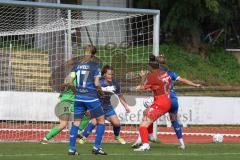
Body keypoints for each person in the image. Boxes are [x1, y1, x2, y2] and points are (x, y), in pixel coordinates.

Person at [68, 45, 107, 155]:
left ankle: (71, 149)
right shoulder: (96, 66)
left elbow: (70, 82)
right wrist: (101, 92)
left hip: (78, 98)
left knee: (76, 122)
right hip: (91, 97)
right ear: (94, 55)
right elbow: (96, 83)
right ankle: (97, 147)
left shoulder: (76, 66)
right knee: (101, 121)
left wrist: (77, 92)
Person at [157, 54, 201, 149]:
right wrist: (194, 85)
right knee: (174, 121)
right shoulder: (170, 73)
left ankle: (144, 141)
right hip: (174, 100)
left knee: (148, 116)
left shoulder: (156, 74)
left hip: (164, 100)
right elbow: (183, 80)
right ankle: (182, 144)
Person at [79, 65, 130, 145]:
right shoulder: (98, 83)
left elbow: (120, 96)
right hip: (97, 106)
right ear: (104, 75)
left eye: (112, 74)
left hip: (108, 107)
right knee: (94, 122)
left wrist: (126, 106)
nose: (111, 76)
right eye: (109, 74)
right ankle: (84, 137)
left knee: (117, 124)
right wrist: (88, 107)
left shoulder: (115, 84)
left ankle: (117, 136)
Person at [133, 55, 172, 151]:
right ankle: (150, 135)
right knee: (145, 112)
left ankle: (145, 145)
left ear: (149, 67)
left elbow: (141, 88)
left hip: (160, 103)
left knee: (142, 125)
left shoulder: (152, 77)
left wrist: (143, 77)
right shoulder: (164, 73)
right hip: (166, 100)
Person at [40, 74, 90, 144]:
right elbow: (67, 85)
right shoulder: (73, 76)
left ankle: (78, 131)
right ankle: (45, 138)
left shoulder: (78, 77)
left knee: (88, 114)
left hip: (73, 101)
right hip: (66, 102)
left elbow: (64, 86)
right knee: (63, 124)